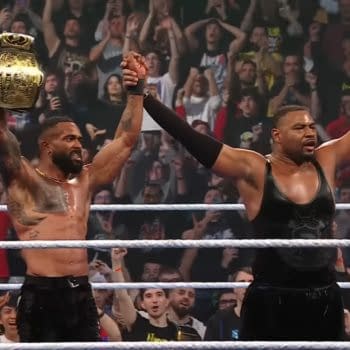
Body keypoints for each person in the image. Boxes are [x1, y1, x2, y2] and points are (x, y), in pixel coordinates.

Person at [122, 59, 347, 340]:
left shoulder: (325, 159)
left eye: (312, 127)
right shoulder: (255, 169)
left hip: (323, 295)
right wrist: (146, 97)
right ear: (276, 135)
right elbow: (192, 139)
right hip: (272, 297)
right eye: (299, 128)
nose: (310, 133)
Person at [0, 51, 146, 343]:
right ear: (47, 147)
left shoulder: (85, 180)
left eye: (79, 138)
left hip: (79, 291)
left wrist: (137, 90)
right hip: (41, 292)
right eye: (69, 139)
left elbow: (126, 140)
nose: (79, 144)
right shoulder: (23, 179)